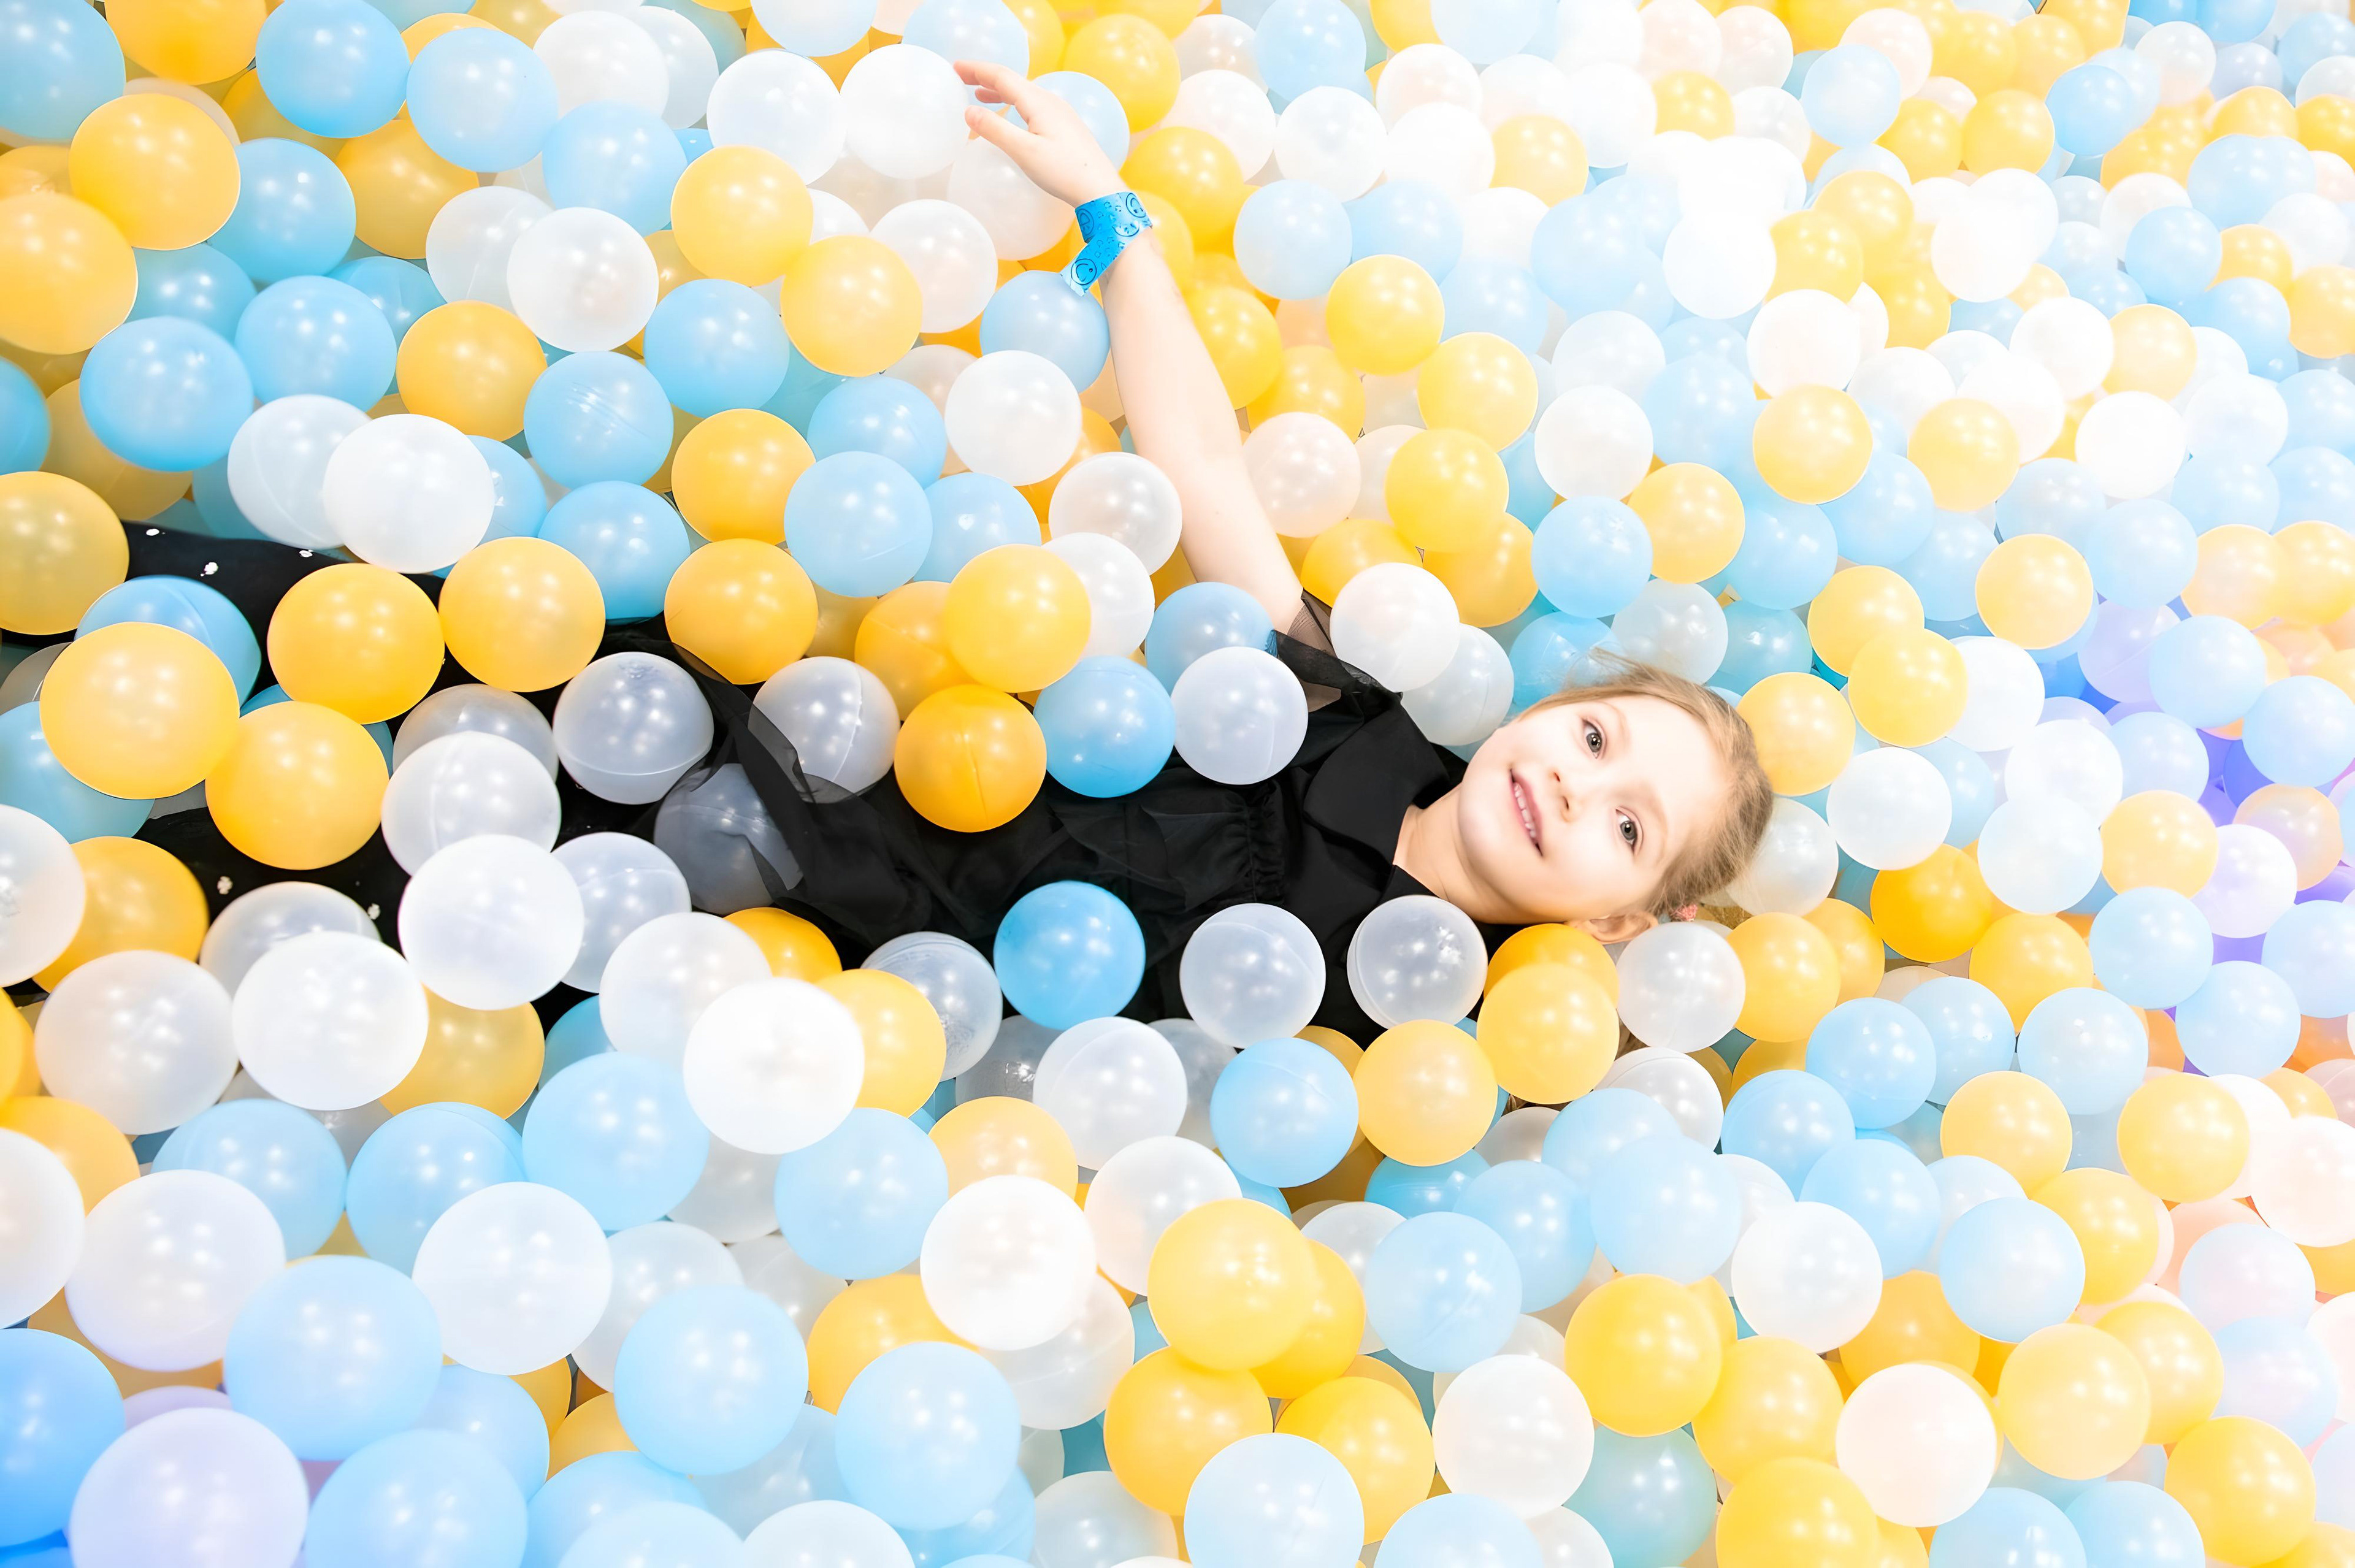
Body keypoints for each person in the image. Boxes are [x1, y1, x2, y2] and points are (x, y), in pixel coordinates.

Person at [722, 61, 1777, 1038]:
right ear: (1541, 714)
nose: (1577, 789)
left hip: (902, 1041)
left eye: (1630, 830)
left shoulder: (1442, 1040)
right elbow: (1203, 468)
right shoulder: (1349, 725)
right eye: (1593, 737)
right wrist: (1111, 211)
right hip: (855, 847)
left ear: (1619, 922)